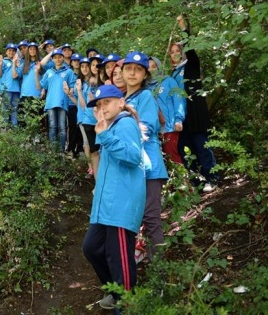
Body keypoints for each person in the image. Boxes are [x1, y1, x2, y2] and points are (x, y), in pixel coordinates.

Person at [82, 84, 146, 311]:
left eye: (106, 102)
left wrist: (105, 136)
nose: (102, 107)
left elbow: (131, 156)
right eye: (99, 104)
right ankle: (114, 291)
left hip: (121, 205)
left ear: (121, 102)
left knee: (119, 258)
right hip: (106, 206)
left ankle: (127, 303)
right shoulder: (110, 126)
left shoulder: (126, 123)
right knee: (91, 247)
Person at [122, 51, 168, 259]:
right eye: (129, 68)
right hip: (132, 166)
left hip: (148, 166)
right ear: (122, 71)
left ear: (144, 75)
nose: (132, 73)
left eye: (138, 70)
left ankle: (161, 274)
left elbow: (146, 128)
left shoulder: (145, 96)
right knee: (133, 218)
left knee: (151, 218)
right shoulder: (122, 98)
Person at [170, 14, 218, 192]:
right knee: (185, 150)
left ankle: (211, 178)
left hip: (196, 114)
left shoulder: (191, 65)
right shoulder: (172, 74)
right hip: (181, 119)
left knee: (202, 148)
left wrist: (183, 28)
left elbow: (190, 48)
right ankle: (196, 182)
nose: (176, 54)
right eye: (173, 52)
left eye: (178, 51)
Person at [35, 48, 76, 152]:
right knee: (52, 127)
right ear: (52, 59)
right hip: (50, 103)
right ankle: (53, 151)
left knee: (62, 127)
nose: (58, 59)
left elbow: (72, 86)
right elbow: (42, 85)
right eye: (55, 57)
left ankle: (61, 150)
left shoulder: (68, 71)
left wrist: (70, 92)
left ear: (63, 58)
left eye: (59, 57)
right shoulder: (49, 72)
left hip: (62, 103)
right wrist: (36, 73)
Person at [148, 56, 185, 164]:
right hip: (154, 130)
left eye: (154, 66)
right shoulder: (145, 87)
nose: (151, 70)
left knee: (173, 157)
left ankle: (182, 180)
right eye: (148, 67)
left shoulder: (168, 81)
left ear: (159, 67)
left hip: (169, 127)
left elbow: (178, 100)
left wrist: (178, 119)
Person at [67, 57, 94, 177]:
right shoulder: (80, 82)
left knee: (92, 144)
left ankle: (96, 167)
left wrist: (78, 91)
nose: (84, 69)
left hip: (91, 117)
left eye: (86, 66)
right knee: (86, 144)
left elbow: (85, 105)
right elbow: (78, 103)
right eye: (82, 67)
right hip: (82, 117)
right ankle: (90, 168)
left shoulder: (92, 83)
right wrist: (69, 94)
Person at [18, 42, 43, 129]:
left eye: (34, 49)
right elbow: (15, 75)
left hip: (36, 93)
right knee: (21, 118)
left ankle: (35, 139)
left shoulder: (40, 63)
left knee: (35, 117)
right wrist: (14, 64)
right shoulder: (24, 63)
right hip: (24, 93)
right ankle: (23, 139)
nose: (32, 51)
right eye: (30, 49)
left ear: (37, 51)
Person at [0, 43, 21, 126]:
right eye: (9, 50)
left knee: (14, 109)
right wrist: (0, 65)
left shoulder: (18, 62)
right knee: (5, 110)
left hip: (16, 89)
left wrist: (16, 64)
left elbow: (18, 75)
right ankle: (4, 130)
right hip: (7, 89)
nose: (11, 52)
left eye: (13, 51)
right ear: (6, 52)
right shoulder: (3, 61)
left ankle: (14, 130)